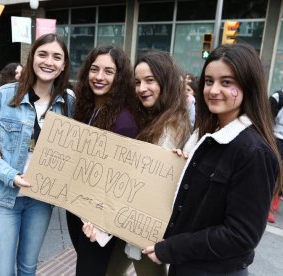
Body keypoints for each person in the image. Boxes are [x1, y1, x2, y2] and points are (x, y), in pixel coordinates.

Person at [144, 43, 281, 276]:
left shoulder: (253, 152)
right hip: (186, 266)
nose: (213, 90)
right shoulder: (206, 135)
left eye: (226, 82)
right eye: (209, 81)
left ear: (248, 85)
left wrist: (171, 249)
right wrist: (180, 168)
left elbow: (240, 236)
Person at [0, 33, 75, 276]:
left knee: (28, 267)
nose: (49, 61)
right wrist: (10, 175)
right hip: (4, 196)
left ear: (63, 66)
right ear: (32, 58)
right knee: (1, 270)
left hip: (41, 198)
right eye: (43, 54)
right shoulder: (5, 95)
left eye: (57, 57)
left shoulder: (69, 102)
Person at [106, 49, 192, 276]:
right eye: (137, 82)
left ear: (166, 81)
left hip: (144, 226)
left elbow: (148, 181)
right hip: (135, 222)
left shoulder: (171, 125)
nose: (141, 88)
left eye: (150, 80)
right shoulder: (159, 116)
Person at [66, 45, 139, 276]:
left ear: (120, 77)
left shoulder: (125, 121)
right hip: (75, 206)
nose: (99, 77)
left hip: (98, 216)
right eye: (94, 69)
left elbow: (121, 179)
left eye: (109, 71)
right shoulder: (84, 108)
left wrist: (101, 222)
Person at [268, 90, 283, 223]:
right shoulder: (278, 96)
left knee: (281, 176)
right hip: (275, 138)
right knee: (271, 171)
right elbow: (267, 116)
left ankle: (272, 206)